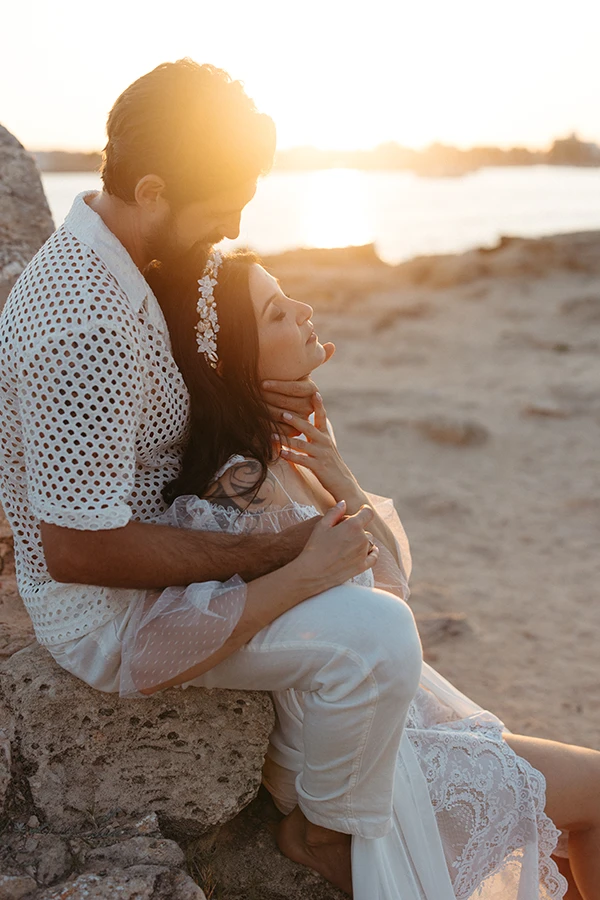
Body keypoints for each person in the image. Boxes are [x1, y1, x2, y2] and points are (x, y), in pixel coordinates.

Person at [48, 248, 600, 899]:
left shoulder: (287, 454)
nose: (306, 310)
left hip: (398, 723)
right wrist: (305, 571)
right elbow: (167, 639)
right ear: (233, 359)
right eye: (278, 312)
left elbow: (388, 586)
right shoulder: (235, 487)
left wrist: (337, 473)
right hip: (364, 762)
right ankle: (320, 836)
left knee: (561, 838)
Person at [0, 60, 415, 897]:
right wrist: (284, 558)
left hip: (162, 550)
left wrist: (269, 401)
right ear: (151, 189)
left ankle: (304, 780)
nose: (228, 229)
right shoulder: (87, 321)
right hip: (105, 617)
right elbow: (80, 550)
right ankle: (320, 830)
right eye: (218, 208)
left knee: (367, 578)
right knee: (378, 641)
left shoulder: (124, 259)